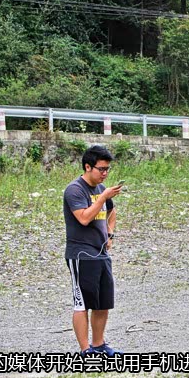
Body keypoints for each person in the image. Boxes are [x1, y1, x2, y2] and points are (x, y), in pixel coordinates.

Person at [63, 145, 123, 356]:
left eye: (107, 169)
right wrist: (103, 197)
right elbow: (84, 218)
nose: (105, 173)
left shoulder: (101, 189)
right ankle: (85, 350)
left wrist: (110, 233)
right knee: (82, 304)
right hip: (80, 254)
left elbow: (111, 211)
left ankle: (99, 344)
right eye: (101, 169)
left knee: (103, 302)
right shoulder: (75, 190)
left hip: (100, 252)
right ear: (88, 167)